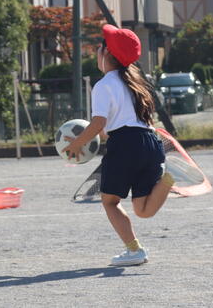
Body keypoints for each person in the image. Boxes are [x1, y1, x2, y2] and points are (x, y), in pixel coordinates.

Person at [63, 24, 175, 267]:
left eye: (99, 47)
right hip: (150, 142)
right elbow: (123, 123)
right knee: (143, 209)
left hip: (125, 145)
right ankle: (168, 179)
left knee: (109, 201)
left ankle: (134, 250)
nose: (97, 51)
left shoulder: (104, 85)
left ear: (107, 53)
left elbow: (99, 122)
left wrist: (78, 143)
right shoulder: (136, 83)